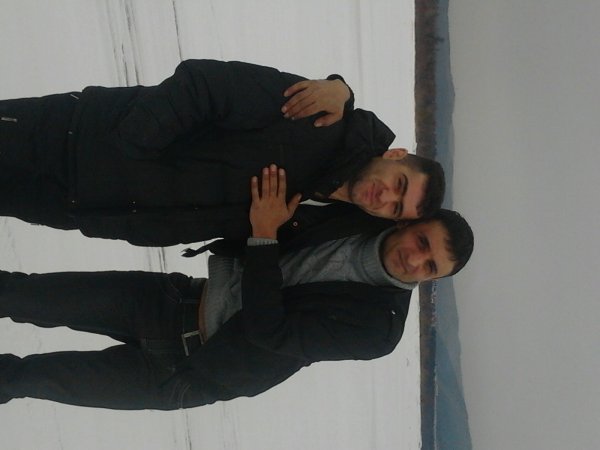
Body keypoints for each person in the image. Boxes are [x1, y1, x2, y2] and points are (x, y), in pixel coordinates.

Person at [0, 166, 472, 410]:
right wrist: (338, 90)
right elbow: (339, 157)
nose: (415, 260)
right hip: (174, 299)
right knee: (20, 293)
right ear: (410, 224)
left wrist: (264, 236)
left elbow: (271, 331)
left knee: (25, 378)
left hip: (186, 373)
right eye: (422, 242)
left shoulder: (377, 331)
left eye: (430, 266)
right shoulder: (361, 215)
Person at [0, 59, 445, 246]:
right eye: (399, 185)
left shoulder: (317, 222)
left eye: (396, 209)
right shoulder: (317, 114)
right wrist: (128, 149)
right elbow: (204, 85)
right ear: (395, 155)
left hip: (85, 207)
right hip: (75, 136)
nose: (386, 198)